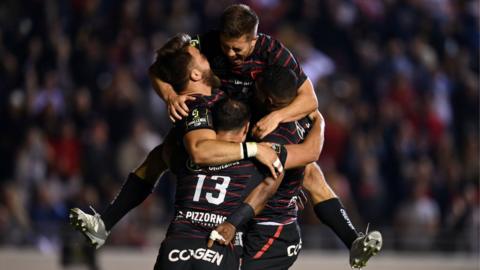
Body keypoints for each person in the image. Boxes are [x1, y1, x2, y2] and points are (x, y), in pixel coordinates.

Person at [150, 4, 382, 269]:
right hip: (220, 118)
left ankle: (352, 240)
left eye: (237, 49)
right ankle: (108, 220)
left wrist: (277, 117)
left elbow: (310, 100)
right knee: (161, 154)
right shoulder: (205, 43)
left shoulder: (274, 53)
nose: (229, 54)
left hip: (254, 124)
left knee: (306, 172)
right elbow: (158, 66)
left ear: (254, 39)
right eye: (226, 46)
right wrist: (168, 94)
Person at [69, 35, 324, 269]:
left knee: (159, 155)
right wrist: (257, 149)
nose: (205, 55)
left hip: (190, 233)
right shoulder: (196, 107)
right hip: (216, 214)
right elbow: (201, 151)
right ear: (194, 74)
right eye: (200, 57)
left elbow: (155, 69)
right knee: (287, 168)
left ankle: (106, 222)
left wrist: (168, 93)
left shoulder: (209, 94)